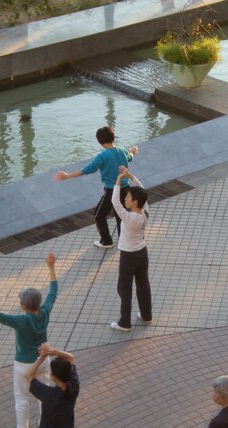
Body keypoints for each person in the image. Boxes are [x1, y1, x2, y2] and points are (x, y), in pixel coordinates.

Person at [0, 253, 58, 428]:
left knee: (21, 398)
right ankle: (45, 421)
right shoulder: (45, 312)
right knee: (43, 393)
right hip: (43, 361)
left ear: (24, 306)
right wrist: (51, 266)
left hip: (23, 366)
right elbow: (53, 291)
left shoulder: (21, 320)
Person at [54, 126, 138, 248]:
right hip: (126, 188)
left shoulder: (102, 156)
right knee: (121, 214)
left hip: (112, 190)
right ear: (113, 138)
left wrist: (67, 176)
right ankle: (123, 239)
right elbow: (129, 157)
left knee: (99, 215)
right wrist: (133, 151)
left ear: (99, 141)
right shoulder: (122, 150)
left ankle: (106, 241)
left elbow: (87, 170)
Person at [109, 166, 152, 332]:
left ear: (134, 201)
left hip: (128, 255)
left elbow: (114, 202)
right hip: (142, 252)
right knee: (143, 284)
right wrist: (131, 176)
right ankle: (147, 315)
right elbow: (142, 189)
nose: (125, 198)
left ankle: (124, 322)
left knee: (124, 287)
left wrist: (119, 181)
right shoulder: (144, 212)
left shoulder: (129, 218)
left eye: (127, 197)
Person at [27, 344, 79, 428]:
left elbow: (28, 375)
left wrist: (42, 357)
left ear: (54, 377)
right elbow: (71, 358)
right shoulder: (74, 386)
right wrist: (53, 351)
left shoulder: (48, 394)